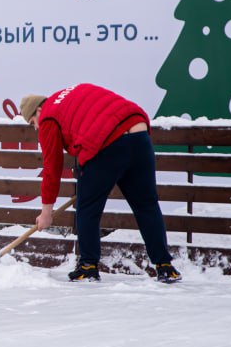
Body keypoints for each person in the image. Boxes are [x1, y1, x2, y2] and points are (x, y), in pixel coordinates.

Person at [19, 85, 182, 283]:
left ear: (38, 110)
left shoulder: (48, 116)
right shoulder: (73, 91)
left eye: (32, 122)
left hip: (108, 145)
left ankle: (88, 266)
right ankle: (165, 266)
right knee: (146, 205)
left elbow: (52, 167)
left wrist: (46, 212)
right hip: (139, 135)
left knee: (87, 209)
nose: (36, 127)